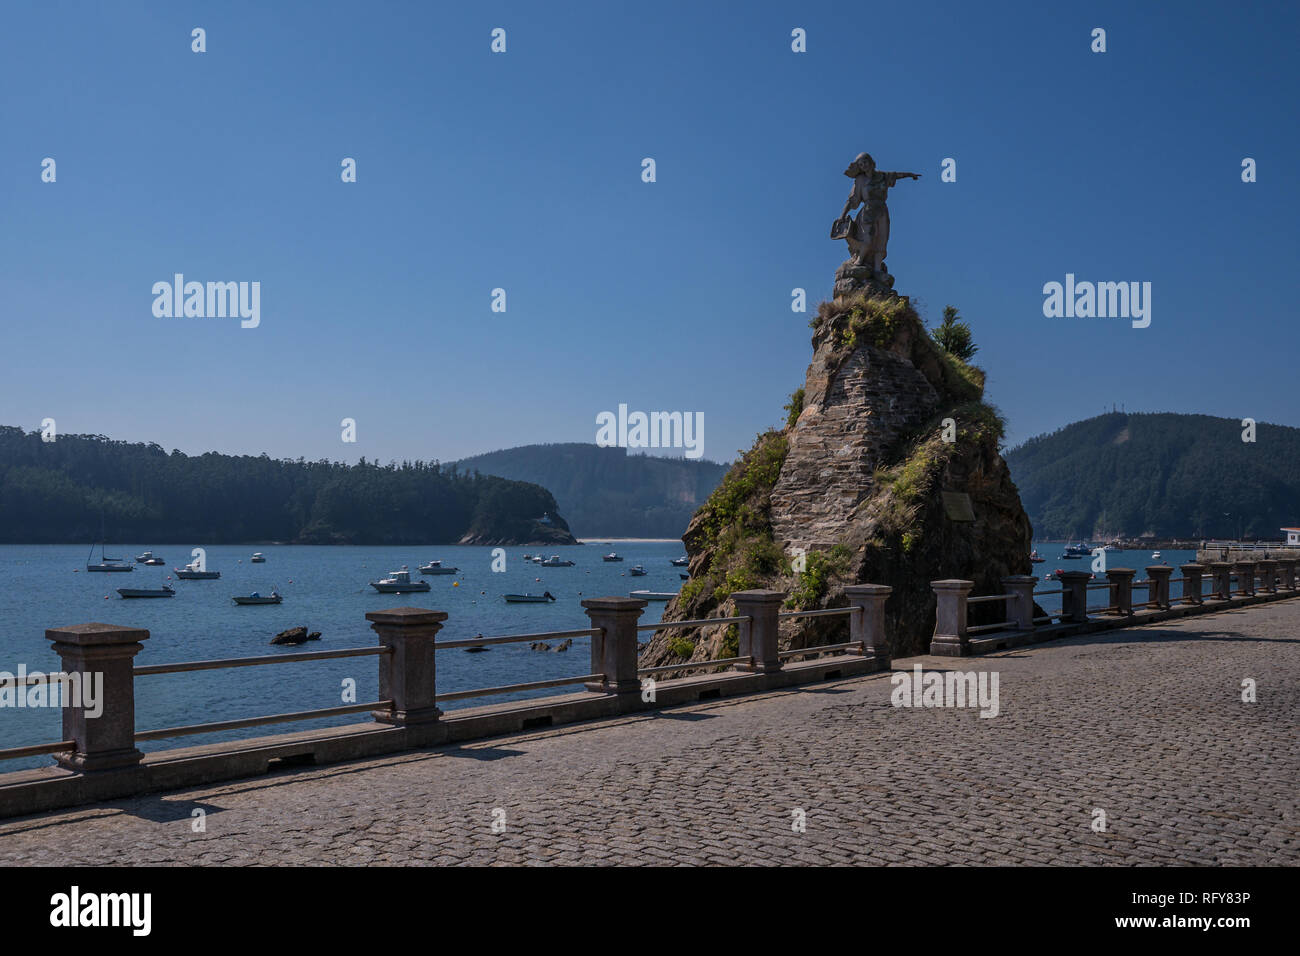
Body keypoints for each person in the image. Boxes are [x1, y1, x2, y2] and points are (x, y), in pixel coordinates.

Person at [838, 152, 920, 277]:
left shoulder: (882, 176)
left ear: (871, 162)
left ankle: (877, 269)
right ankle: (860, 259)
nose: (863, 165)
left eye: (865, 162)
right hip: (868, 211)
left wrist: (910, 175)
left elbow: (897, 175)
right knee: (868, 238)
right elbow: (852, 199)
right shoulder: (861, 180)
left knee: (882, 239)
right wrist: (842, 215)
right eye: (860, 164)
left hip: (882, 210)